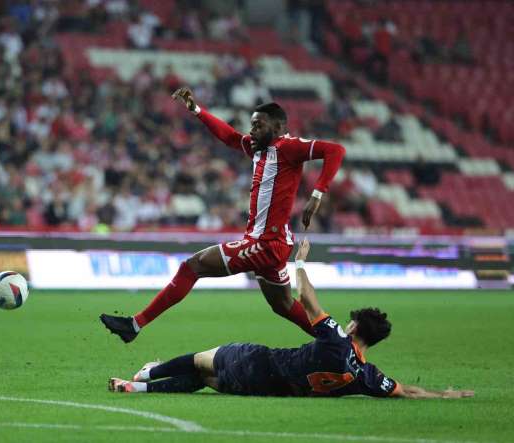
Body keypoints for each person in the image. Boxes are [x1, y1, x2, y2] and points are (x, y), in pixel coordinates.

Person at [100, 87, 346, 343]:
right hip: (273, 243)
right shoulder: (258, 150)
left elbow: (335, 150)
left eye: (258, 126)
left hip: (265, 243)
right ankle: (340, 344)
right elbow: (229, 136)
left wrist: (317, 195)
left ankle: (135, 324)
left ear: (277, 127)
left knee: (191, 267)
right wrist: (196, 110)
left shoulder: (288, 147)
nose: (252, 131)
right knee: (283, 305)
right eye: (251, 125)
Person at [108, 239, 474, 399]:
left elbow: (308, 300)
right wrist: (446, 394)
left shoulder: (336, 340)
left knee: (200, 361)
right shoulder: (366, 376)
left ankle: (148, 373)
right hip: (264, 389)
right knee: (203, 381)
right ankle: (136, 387)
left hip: (257, 360)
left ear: (354, 328)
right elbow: (405, 390)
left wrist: (299, 260)